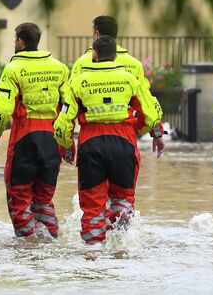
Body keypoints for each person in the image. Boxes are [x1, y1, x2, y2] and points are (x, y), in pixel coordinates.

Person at [54, 36, 165, 243]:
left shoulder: (79, 82)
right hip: (123, 142)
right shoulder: (129, 79)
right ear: (115, 56)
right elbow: (150, 113)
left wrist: (67, 148)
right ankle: (122, 249)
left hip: (90, 144)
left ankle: (93, 255)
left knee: (92, 206)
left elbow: (62, 124)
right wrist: (152, 133)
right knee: (122, 201)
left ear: (93, 54)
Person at [0, 23, 70, 237]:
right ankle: (51, 241)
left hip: (25, 137)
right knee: (44, 197)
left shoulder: (13, 69)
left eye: (15, 40)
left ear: (20, 41)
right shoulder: (59, 68)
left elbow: (1, 110)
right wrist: (67, 142)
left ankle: (27, 247)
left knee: (19, 194)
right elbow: (69, 106)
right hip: (53, 137)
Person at [70, 15, 149, 90]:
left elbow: (71, 92)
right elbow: (142, 94)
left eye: (93, 32)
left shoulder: (82, 62)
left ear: (97, 34)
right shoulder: (136, 64)